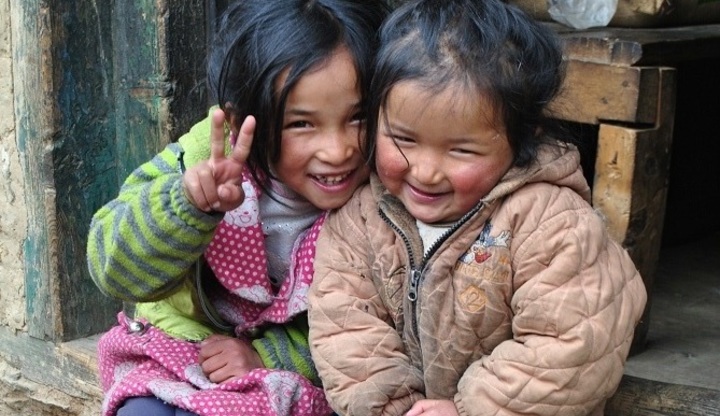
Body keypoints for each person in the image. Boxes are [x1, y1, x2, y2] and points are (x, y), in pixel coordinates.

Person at [307, 0, 648, 415]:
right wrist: (392, 407)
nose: (427, 172)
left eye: (462, 150)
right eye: (404, 140)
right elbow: (344, 325)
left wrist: (469, 410)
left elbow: (573, 344)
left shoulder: (551, 223)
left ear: (523, 137)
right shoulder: (361, 218)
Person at [86, 1, 389, 415]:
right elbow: (111, 266)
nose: (338, 151)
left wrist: (268, 357)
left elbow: (375, 327)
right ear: (240, 120)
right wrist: (187, 206)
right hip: (184, 348)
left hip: (302, 372)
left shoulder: (385, 202)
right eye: (301, 123)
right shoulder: (201, 161)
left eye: (358, 117)